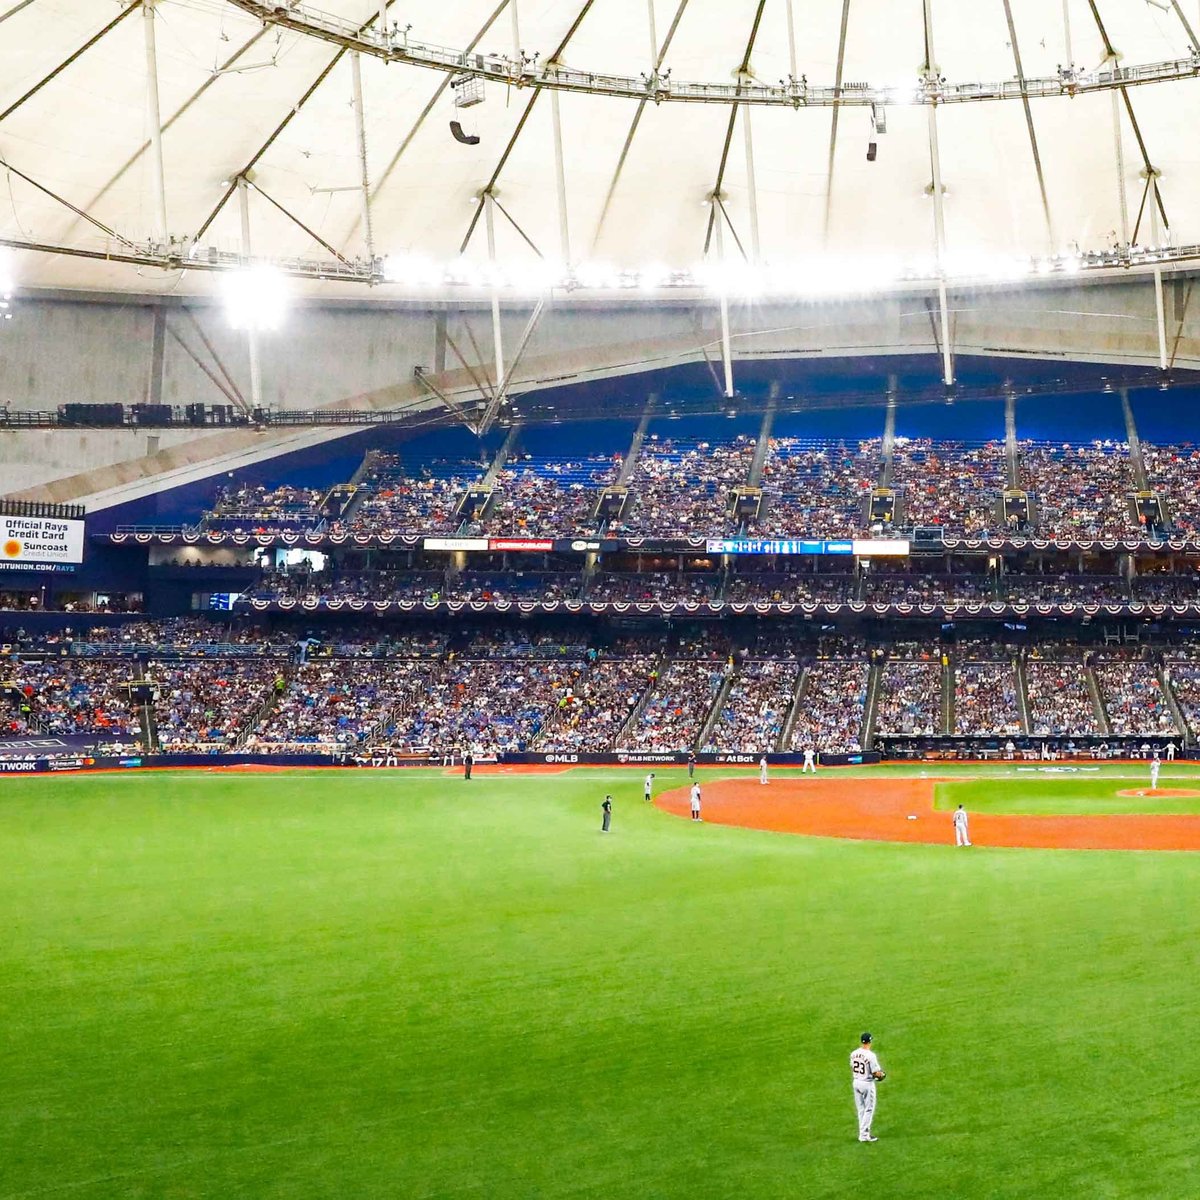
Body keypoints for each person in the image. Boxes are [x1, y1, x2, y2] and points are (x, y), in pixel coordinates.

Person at [850, 1032, 885, 1142]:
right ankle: (864, 1135)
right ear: (870, 1041)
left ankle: (863, 1133)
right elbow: (876, 1073)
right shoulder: (871, 1056)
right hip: (867, 1084)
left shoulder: (853, 1053)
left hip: (856, 1082)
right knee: (868, 1109)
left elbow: (852, 1066)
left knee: (861, 1109)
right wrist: (882, 1075)